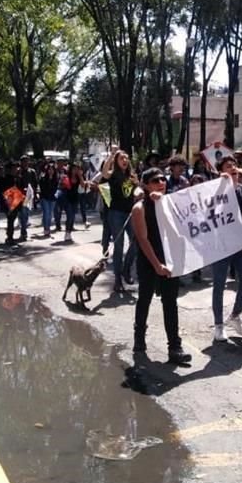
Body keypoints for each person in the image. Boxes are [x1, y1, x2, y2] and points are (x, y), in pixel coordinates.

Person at [131, 167, 192, 365]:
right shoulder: (139, 208)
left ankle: (175, 347)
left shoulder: (170, 204)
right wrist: (157, 265)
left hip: (170, 260)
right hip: (149, 261)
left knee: (170, 303)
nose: (161, 183)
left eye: (163, 179)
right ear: (146, 185)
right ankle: (139, 339)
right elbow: (143, 239)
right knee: (145, 299)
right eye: (155, 180)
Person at [210, 155, 242, 341]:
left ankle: (236, 315)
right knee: (219, 284)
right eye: (229, 166)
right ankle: (219, 325)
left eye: (234, 165)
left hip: (240, 244)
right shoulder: (213, 191)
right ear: (221, 172)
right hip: (220, 245)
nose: (233, 168)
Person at [102, 149, 138, 292]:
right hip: (116, 213)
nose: (125, 160)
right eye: (122, 158)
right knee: (119, 246)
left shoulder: (131, 176)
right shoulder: (112, 175)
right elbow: (104, 173)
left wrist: (138, 185)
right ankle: (117, 279)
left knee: (136, 242)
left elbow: (137, 190)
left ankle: (126, 269)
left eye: (127, 158)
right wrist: (111, 156)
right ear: (116, 161)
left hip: (130, 213)